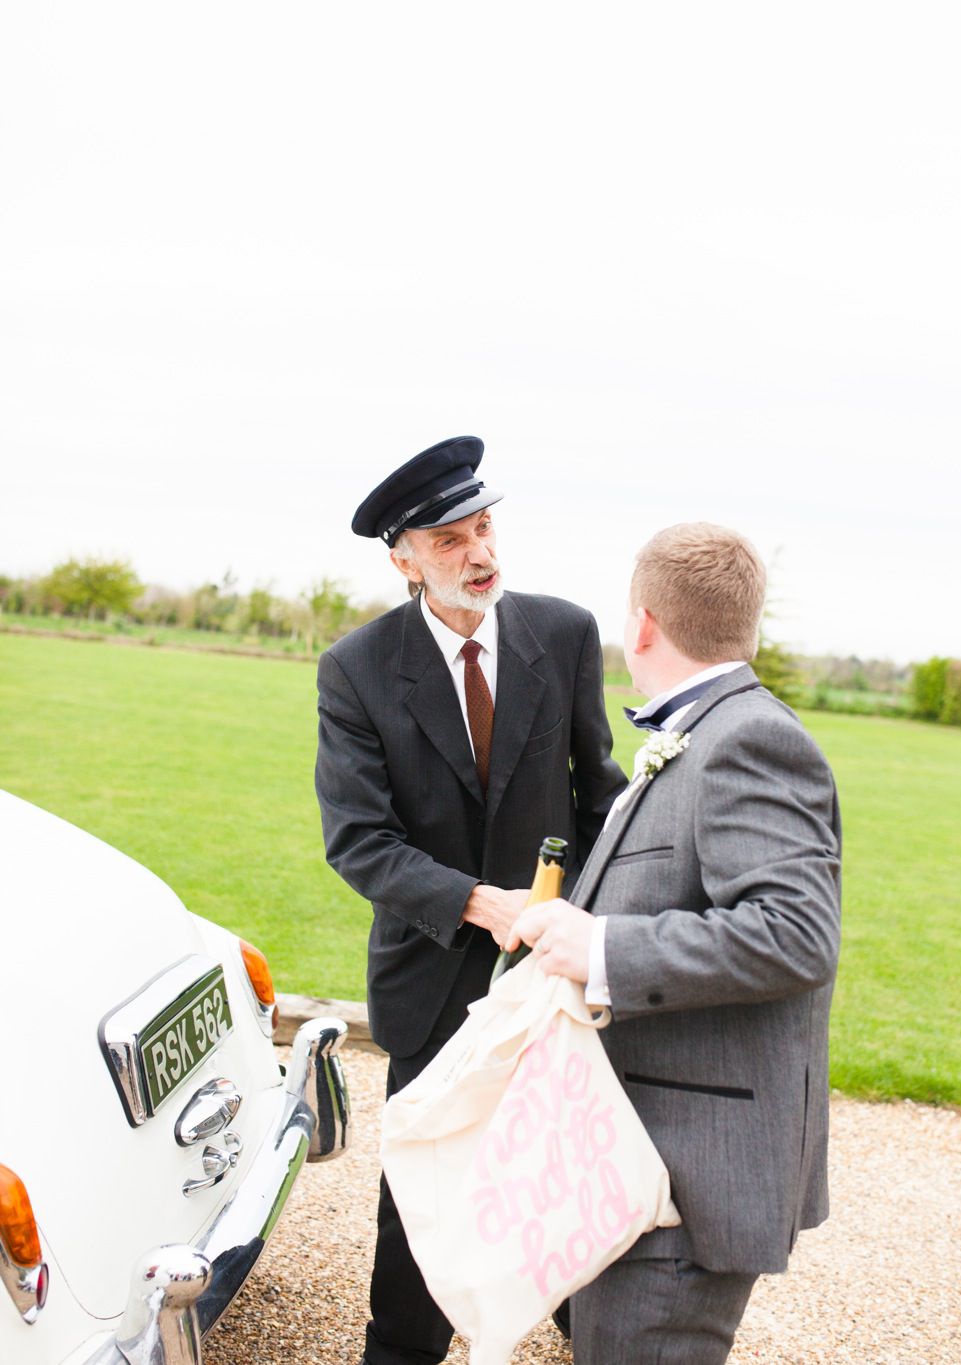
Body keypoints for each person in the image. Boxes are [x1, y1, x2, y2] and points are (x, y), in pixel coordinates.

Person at [313, 435, 628, 1365]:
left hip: (554, 965)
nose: (480, 552)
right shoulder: (356, 668)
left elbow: (600, 795)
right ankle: (401, 1352)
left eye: (484, 527)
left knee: (565, 1158)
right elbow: (359, 840)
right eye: (450, 540)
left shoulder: (565, 634)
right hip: (432, 972)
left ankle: (583, 1330)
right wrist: (481, 904)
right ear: (404, 559)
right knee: (425, 1183)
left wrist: (593, 924)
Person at [509, 521, 841, 1365]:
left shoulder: (750, 739)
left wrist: (603, 948)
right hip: (634, 1158)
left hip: (691, 1176)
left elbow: (796, 933)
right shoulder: (702, 729)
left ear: (643, 623)